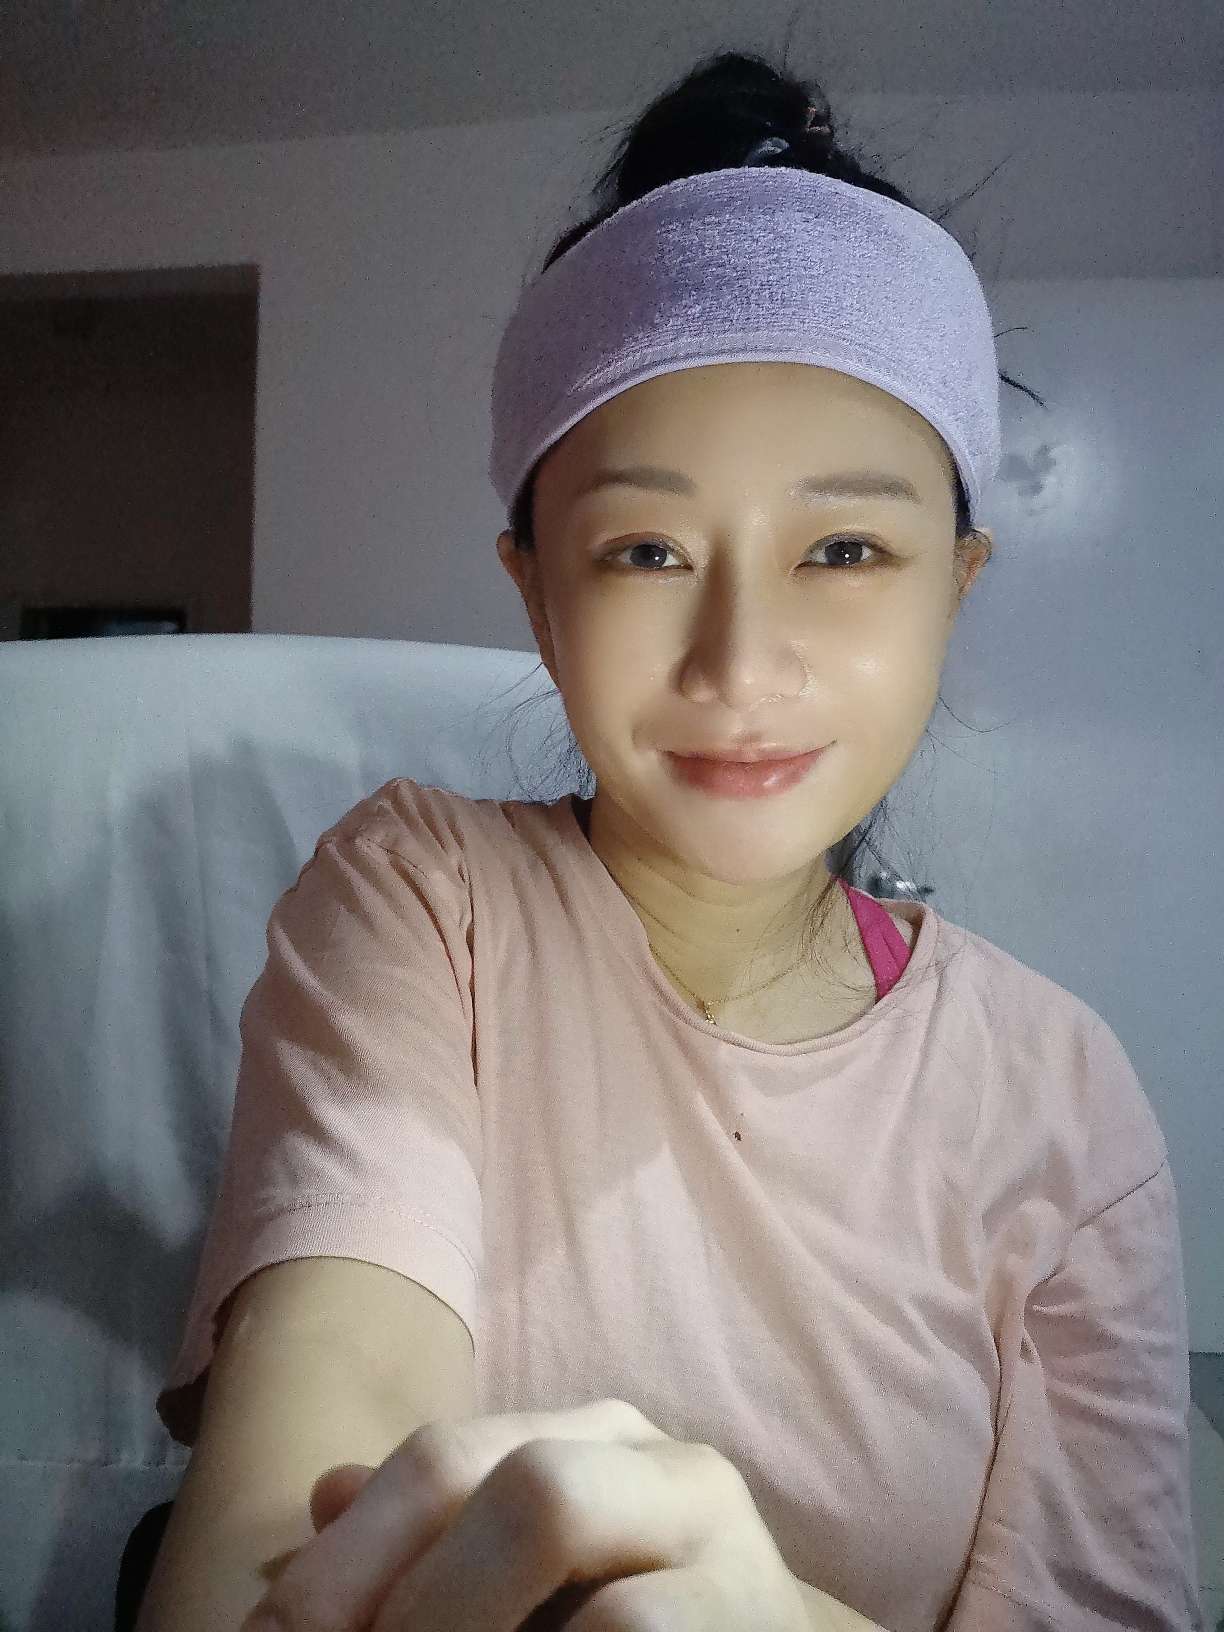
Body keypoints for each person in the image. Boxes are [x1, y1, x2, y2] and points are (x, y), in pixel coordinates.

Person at [131, 48, 1202, 1632]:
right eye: (643, 549)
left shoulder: (1065, 1101)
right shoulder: (426, 903)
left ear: (953, 585)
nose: (739, 664)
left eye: (846, 548)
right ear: (537, 593)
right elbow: (322, 1433)